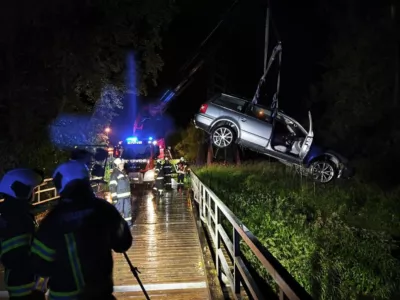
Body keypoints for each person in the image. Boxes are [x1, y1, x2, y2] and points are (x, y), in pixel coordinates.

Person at [30, 160, 133, 300]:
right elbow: (123, 243)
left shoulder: (53, 220)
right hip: (100, 294)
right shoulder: (105, 209)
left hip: (65, 296)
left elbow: (40, 264)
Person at [0, 168, 46, 300]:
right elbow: (19, 256)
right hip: (25, 284)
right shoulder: (18, 218)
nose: (34, 192)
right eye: (32, 189)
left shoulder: (9, 214)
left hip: (19, 281)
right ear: (21, 190)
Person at [109, 158, 132, 226]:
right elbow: (112, 186)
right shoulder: (114, 174)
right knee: (119, 212)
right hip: (119, 198)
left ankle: (128, 225)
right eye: (121, 164)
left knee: (127, 211)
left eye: (122, 164)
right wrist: (114, 198)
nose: (122, 165)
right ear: (117, 165)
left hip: (126, 197)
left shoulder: (124, 172)